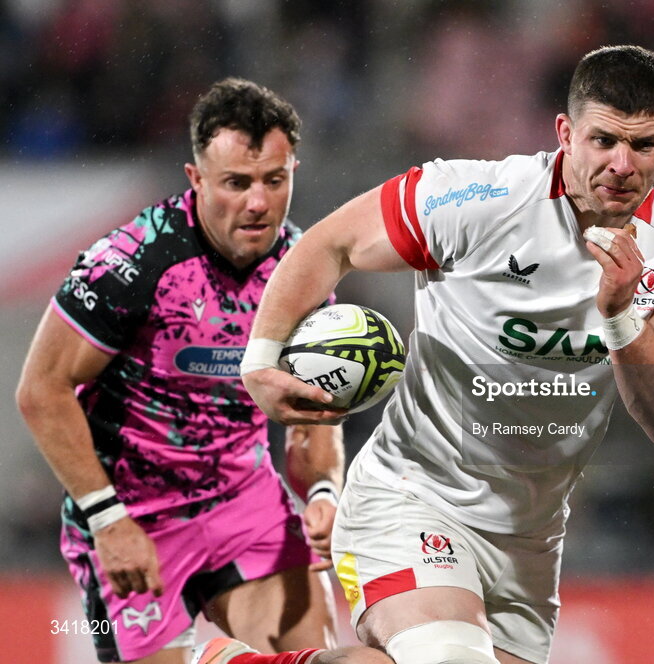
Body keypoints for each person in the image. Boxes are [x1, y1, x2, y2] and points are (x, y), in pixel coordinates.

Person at [200, 45, 654, 664]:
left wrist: (620, 318)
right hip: (413, 495)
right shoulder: (478, 198)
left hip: (530, 537)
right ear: (565, 134)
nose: (621, 164)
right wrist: (260, 358)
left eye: (643, 145)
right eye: (603, 140)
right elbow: (331, 243)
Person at [16, 78, 387, 664]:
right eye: (237, 183)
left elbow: (313, 410)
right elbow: (41, 390)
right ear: (196, 180)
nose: (258, 202)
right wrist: (106, 518)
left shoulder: (303, 272)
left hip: (245, 502)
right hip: (133, 510)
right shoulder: (132, 262)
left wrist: (321, 490)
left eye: (274, 180)